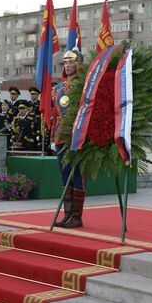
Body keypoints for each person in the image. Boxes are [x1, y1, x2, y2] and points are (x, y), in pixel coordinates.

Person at [51, 49, 86, 228]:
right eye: (65, 63)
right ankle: (67, 215)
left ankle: (77, 216)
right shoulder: (57, 89)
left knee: (78, 176)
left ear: (79, 64)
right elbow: (56, 115)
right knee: (65, 176)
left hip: (78, 136)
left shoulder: (85, 86)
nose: (68, 66)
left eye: (71, 62)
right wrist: (52, 137)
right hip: (61, 137)